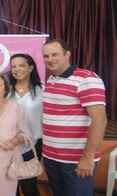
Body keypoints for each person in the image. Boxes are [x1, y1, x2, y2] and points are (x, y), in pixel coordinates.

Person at [41, 39, 107, 196]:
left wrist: (87, 157)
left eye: (55, 54)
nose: (50, 59)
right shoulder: (51, 80)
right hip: (51, 157)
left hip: (76, 160)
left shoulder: (87, 79)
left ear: (67, 54)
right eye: (46, 56)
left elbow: (100, 120)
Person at [8, 53, 44, 196]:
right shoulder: (5, 90)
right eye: (13, 66)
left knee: (29, 186)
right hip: (8, 144)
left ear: (31, 67)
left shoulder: (43, 90)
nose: (17, 69)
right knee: (10, 185)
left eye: (21, 65)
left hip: (33, 143)